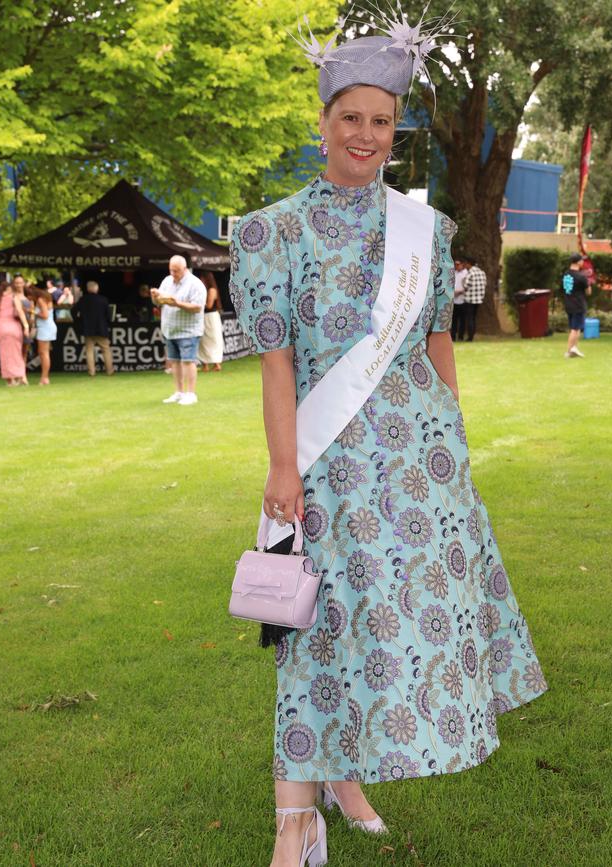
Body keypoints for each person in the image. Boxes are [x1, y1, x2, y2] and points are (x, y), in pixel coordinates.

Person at [229, 17, 548, 867]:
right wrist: (283, 464)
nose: (367, 135)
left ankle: (344, 777)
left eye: (383, 120)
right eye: (351, 118)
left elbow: (438, 340)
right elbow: (278, 361)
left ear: (395, 128)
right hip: (328, 465)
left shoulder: (428, 232)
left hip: (419, 465)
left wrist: (457, 446)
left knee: (386, 626)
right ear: (323, 122)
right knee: (316, 628)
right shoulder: (271, 232)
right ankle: (294, 821)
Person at [151, 255, 206, 405]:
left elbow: (197, 307)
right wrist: (155, 297)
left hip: (189, 330)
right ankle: (179, 392)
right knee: (174, 362)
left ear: (185, 269)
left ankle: (191, 393)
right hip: (170, 329)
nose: (173, 274)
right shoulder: (167, 281)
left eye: (176, 271)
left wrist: (177, 303)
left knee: (188, 361)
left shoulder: (195, 284)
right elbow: (158, 303)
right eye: (171, 270)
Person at [73, 281, 115, 376]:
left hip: (88, 329)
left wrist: (78, 321)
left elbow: (74, 311)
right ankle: (110, 371)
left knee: (89, 350)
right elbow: (109, 315)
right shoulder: (103, 299)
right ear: (97, 289)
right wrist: (108, 324)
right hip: (101, 329)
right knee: (106, 350)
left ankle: (91, 372)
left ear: (88, 289)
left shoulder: (83, 300)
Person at [0, 277, 29, 386]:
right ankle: (20, 376)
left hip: (1, 328)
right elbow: (19, 311)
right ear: (9, 288)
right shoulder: (14, 298)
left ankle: (9, 380)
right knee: (17, 353)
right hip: (14, 327)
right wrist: (26, 325)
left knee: (4, 355)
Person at [562, 253, 590, 358]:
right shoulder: (581, 276)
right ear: (578, 262)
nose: (583, 262)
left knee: (576, 328)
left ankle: (574, 348)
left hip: (568, 304)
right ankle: (569, 351)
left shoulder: (566, 274)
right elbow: (588, 292)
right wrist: (588, 282)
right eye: (582, 260)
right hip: (578, 304)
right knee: (575, 329)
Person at [198, 272, 224, 372]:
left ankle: (216, 364)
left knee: (213, 339)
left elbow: (209, 305)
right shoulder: (202, 290)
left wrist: (197, 304)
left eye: (202, 278)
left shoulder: (212, 290)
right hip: (203, 316)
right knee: (203, 340)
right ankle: (205, 364)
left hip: (210, 316)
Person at [34, 287, 58, 385]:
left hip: (45, 328)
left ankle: (44, 378)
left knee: (44, 353)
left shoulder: (40, 300)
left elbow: (45, 315)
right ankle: (45, 377)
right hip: (48, 327)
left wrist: (33, 312)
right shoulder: (46, 299)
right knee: (44, 353)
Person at [461, 256, 486, 341]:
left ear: (469, 264)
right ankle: (473, 335)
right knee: (474, 318)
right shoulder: (482, 272)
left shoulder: (470, 273)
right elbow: (485, 284)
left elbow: (466, 286)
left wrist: (463, 281)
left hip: (470, 299)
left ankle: (470, 337)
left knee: (470, 318)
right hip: (479, 299)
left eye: (466, 264)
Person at [451, 258, 468, 341]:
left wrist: (459, 292)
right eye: (455, 264)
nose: (456, 266)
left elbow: (467, 287)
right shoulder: (454, 273)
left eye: (458, 264)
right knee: (454, 320)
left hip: (463, 300)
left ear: (462, 264)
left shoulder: (466, 273)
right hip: (454, 300)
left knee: (462, 320)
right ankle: (453, 336)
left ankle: (461, 337)